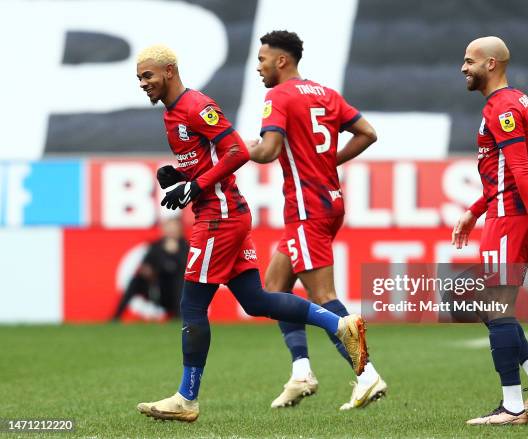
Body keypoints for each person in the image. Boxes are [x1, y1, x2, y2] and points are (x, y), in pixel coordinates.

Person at [134, 44, 369, 423]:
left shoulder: (196, 106)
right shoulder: (174, 112)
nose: (144, 84)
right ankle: (338, 324)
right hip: (228, 214)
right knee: (257, 300)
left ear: (170, 71)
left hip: (219, 217)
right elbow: (210, 159)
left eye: (149, 75)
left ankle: (186, 398)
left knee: (192, 305)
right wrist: (181, 176)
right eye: (140, 78)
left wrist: (196, 187)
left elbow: (236, 152)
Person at [247, 30, 386, 410]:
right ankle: (301, 372)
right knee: (275, 287)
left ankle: (367, 374)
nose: (258, 66)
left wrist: (239, 149)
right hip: (327, 200)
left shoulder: (277, 95)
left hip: (307, 206)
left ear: (281, 61)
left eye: (262, 59)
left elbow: (269, 149)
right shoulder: (324, 93)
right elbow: (367, 133)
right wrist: (330, 162)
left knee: (323, 296)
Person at [453, 36, 528, 425]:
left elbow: (520, 170)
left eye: (469, 61)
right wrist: (474, 211)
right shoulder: (515, 101)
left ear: (491, 64)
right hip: (505, 214)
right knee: (490, 307)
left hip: (511, 219)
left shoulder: (502, 107)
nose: (463, 68)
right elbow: (504, 174)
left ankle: (512, 406)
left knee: (492, 307)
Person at [111, 216, 188, 321]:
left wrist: (174, 253)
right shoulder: (156, 246)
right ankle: (116, 317)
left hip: (176, 292)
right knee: (136, 281)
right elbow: (145, 266)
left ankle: (178, 316)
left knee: (179, 282)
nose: (171, 231)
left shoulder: (186, 247)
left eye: (173, 228)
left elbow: (186, 269)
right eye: (168, 227)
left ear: (179, 230)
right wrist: (148, 271)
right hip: (157, 289)